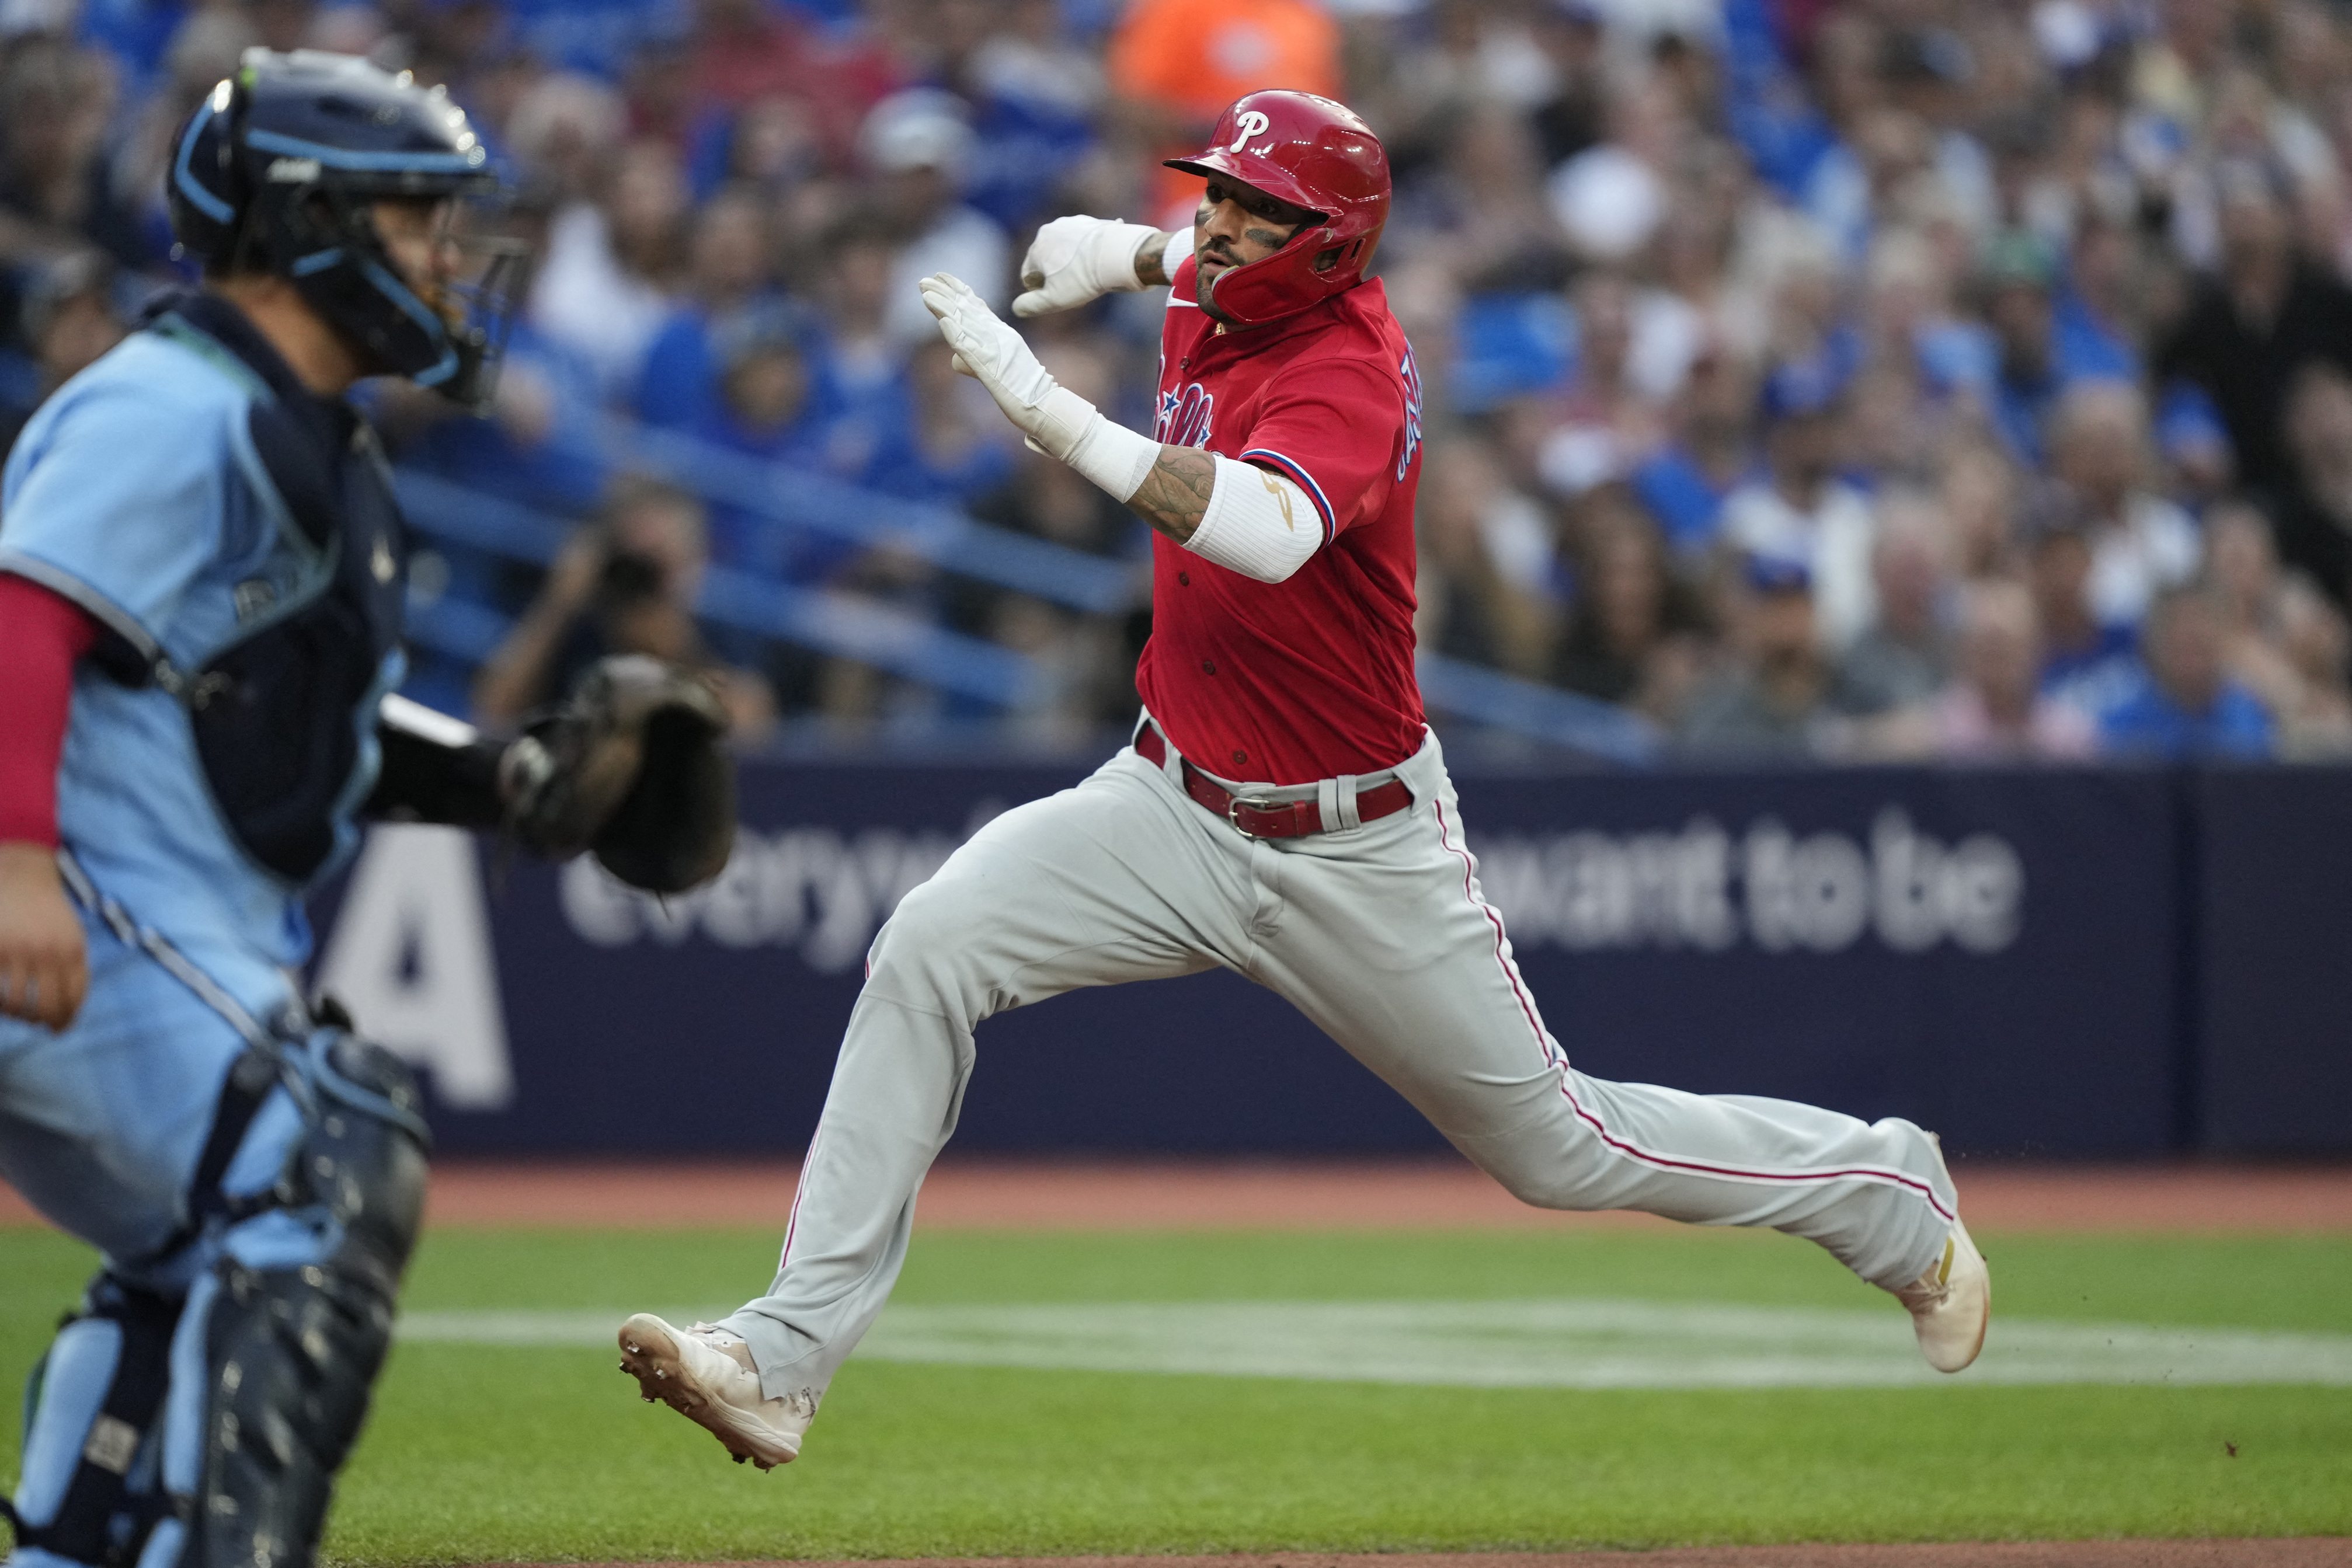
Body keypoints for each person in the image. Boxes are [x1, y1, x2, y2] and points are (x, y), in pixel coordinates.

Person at [612, 89, 1991, 1475]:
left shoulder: (1350, 366)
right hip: (1168, 799)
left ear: (1326, 246)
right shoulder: (1220, 283)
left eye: (1252, 208)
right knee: (928, 944)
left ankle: (1885, 1192)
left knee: (1558, 1145)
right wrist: (1121, 249)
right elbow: (1198, 256)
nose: (1217, 223)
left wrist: (1044, 408)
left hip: (1355, 843)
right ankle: (780, 1359)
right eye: (1213, 193)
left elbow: (1263, 530)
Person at [0, 51, 732, 1568]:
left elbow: (285, 708)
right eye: (415, 221)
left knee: (202, 1241)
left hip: (149, 920)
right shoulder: (172, 403)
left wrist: (506, 780)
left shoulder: (304, 432)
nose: (448, 261)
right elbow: (21, 614)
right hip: (84, 906)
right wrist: (13, 864)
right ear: (308, 224)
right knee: (320, 1154)